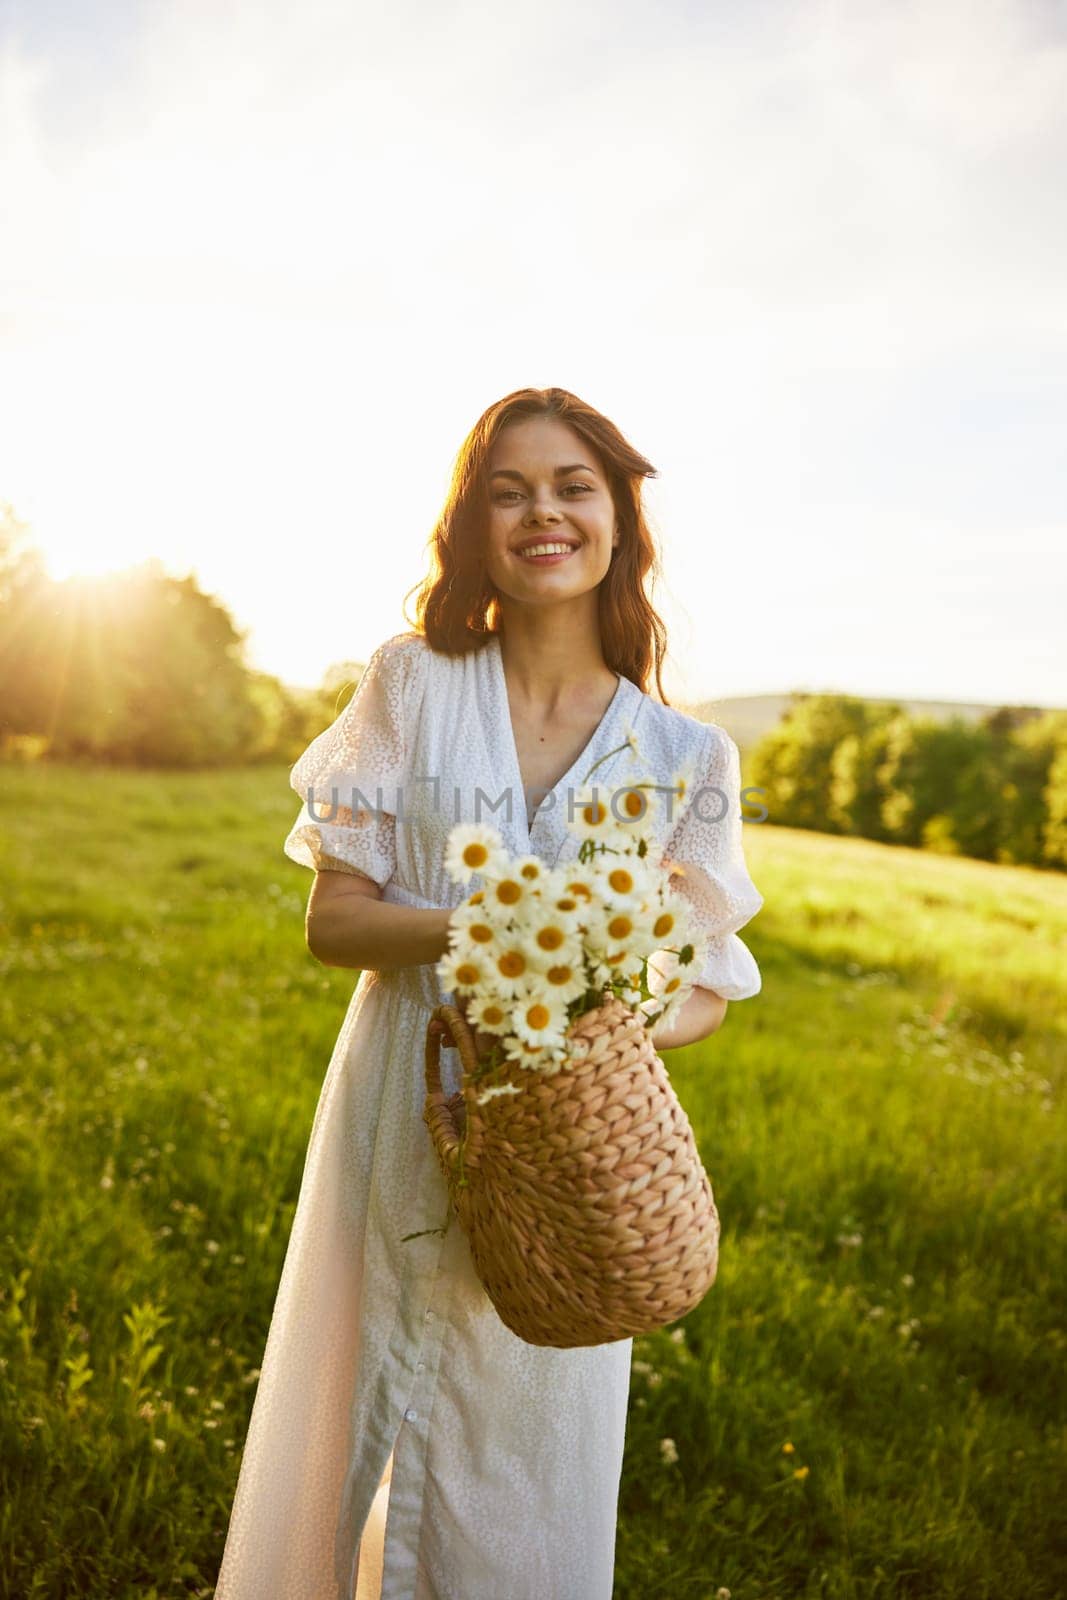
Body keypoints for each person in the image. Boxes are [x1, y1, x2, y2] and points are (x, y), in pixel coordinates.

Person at [213, 386, 764, 1600]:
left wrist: (609, 1008)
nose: (541, 513)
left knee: (527, 1428)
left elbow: (708, 989)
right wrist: (501, 932)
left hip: (574, 1149)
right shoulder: (410, 684)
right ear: (475, 527)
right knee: (353, 1399)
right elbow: (335, 919)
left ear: (617, 517)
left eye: (571, 486)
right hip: (399, 1101)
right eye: (507, 491)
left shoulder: (683, 758)